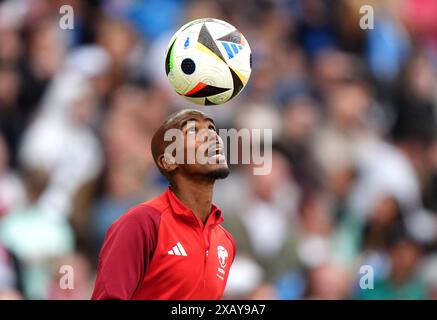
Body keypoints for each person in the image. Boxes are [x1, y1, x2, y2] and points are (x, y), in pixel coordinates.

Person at [91, 109, 235, 299]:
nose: (212, 135)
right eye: (193, 130)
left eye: (211, 127)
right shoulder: (142, 223)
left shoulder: (226, 242)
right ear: (169, 161)